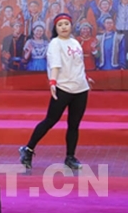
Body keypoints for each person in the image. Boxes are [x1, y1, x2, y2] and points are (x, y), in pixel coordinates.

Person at [19, 13, 95, 170]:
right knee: (50, 120)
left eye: (66, 24)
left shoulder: (75, 42)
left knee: (74, 124)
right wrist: (52, 82)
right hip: (63, 88)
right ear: (55, 28)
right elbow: (55, 64)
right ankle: (28, 149)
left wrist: (85, 77)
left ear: (71, 25)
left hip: (81, 89)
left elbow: (78, 63)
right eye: (60, 25)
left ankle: (70, 157)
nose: (64, 27)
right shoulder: (55, 43)